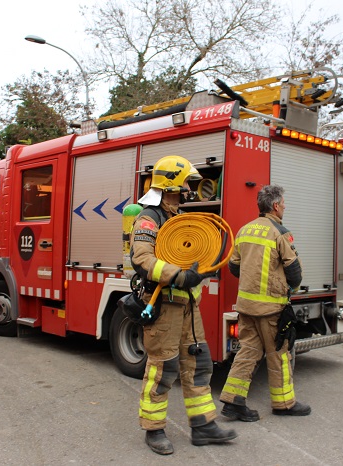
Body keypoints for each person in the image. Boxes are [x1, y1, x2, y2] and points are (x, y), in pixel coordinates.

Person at [130, 155, 237, 455]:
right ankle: (154, 429)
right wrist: (178, 275)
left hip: (188, 308)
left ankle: (203, 425)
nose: (190, 190)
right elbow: (142, 259)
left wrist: (201, 267)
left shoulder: (177, 218)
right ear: (171, 185)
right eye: (186, 185)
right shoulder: (149, 217)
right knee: (163, 369)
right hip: (163, 307)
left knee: (199, 364)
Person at [219, 185, 311, 422]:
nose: (285, 207)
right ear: (276, 206)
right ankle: (284, 404)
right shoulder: (280, 233)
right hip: (271, 309)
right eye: (283, 203)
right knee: (279, 354)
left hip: (246, 307)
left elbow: (234, 267)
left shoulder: (244, 230)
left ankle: (232, 402)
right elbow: (295, 272)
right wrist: (289, 290)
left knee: (247, 352)